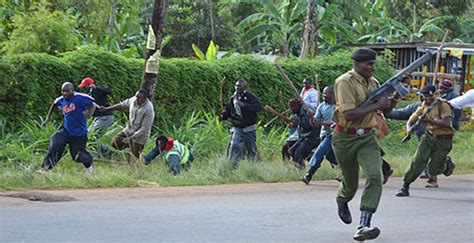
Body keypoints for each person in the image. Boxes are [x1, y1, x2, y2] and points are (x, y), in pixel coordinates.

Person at [332, 48, 393, 241]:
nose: (372, 68)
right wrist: (377, 105)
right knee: (350, 185)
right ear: (357, 64)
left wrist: (394, 98)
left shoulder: (374, 83)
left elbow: (386, 112)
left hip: (367, 137)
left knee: (375, 176)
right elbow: (349, 114)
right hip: (345, 138)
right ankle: (342, 200)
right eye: (369, 64)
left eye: (373, 63)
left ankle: (364, 224)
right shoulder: (344, 82)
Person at [396, 85, 455, 197]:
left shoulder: (443, 105)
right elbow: (411, 120)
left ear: (433, 95)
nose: (424, 98)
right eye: (423, 96)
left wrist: (429, 120)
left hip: (444, 139)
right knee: (417, 161)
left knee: (434, 168)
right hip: (429, 137)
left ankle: (446, 163)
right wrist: (409, 130)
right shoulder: (423, 106)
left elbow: (447, 123)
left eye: (426, 96)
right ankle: (405, 187)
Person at [38, 82, 95, 173]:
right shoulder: (61, 99)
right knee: (55, 143)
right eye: (63, 91)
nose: (64, 93)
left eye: (67, 91)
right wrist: (48, 117)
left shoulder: (80, 98)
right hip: (66, 130)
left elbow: (93, 103)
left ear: (72, 91)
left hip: (79, 133)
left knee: (77, 156)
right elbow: (54, 103)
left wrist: (89, 113)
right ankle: (44, 168)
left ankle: (89, 164)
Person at [99, 89, 155, 161]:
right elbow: (122, 105)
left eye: (139, 98)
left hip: (140, 136)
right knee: (115, 142)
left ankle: (133, 151)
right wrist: (107, 109)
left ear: (145, 98)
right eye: (136, 96)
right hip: (129, 130)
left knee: (132, 160)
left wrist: (131, 138)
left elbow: (145, 128)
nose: (136, 99)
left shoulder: (149, 109)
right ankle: (126, 148)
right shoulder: (133, 100)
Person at [219, 79, 262, 169]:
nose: (237, 87)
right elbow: (228, 111)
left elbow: (258, 107)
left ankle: (252, 168)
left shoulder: (249, 97)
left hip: (249, 127)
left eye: (240, 86)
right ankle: (232, 167)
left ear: (244, 87)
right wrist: (223, 116)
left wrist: (244, 106)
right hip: (237, 127)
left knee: (251, 149)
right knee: (235, 145)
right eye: (236, 85)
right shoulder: (233, 98)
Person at [301, 86, 337, 184]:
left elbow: (337, 123)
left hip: (334, 135)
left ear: (333, 94)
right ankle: (344, 172)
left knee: (319, 152)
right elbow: (315, 122)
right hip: (324, 134)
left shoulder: (337, 107)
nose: (324, 95)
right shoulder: (321, 106)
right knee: (330, 156)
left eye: (327, 93)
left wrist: (321, 123)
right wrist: (312, 118)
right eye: (323, 93)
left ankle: (308, 175)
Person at [78, 77, 114, 154]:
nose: (83, 89)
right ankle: (105, 151)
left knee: (92, 138)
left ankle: (106, 152)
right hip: (97, 118)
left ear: (90, 85)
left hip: (105, 117)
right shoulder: (89, 94)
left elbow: (109, 91)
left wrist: (97, 87)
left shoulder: (97, 90)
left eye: (84, 87)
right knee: (87, 136)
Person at [288, 98, 321, 169]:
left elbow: (307, 125)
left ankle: (299, 168)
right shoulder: (298, 113)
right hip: (304, 136)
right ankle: (301, 165)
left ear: (297, 107)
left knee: (299, 152)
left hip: (313, 137)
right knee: (292, 150)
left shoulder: (305, 112)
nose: (291, 110)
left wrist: (296, 121)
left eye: (292, 108)